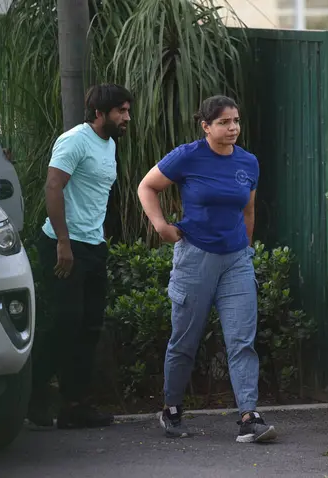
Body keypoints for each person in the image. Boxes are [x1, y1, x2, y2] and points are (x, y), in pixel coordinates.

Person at [137, 95, 277, 443]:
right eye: (224, 122)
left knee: (242, 340)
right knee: (184, 340)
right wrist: (161, 227)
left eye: (236, 121)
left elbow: (248, 211)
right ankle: (171, 409)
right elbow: (147, 186)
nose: (233, 128)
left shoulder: (248, 162)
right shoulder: (188, 155)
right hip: (194, 257)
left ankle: (249, 416)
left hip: (236, 262)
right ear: (206, 126)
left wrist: (244, 249)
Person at [27, 83, 133, 429]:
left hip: (92, 246)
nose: (126, 117)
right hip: (63, 245)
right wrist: (63, 242)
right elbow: (53, 186)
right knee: (65, 322)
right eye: (121, 111)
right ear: (100, 113)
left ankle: (74, 406)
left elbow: (96, 194)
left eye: (128, 110)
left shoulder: (109, 144)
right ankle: (30, 393)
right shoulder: (74, 140)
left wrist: (98, 235)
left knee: (88, 326)